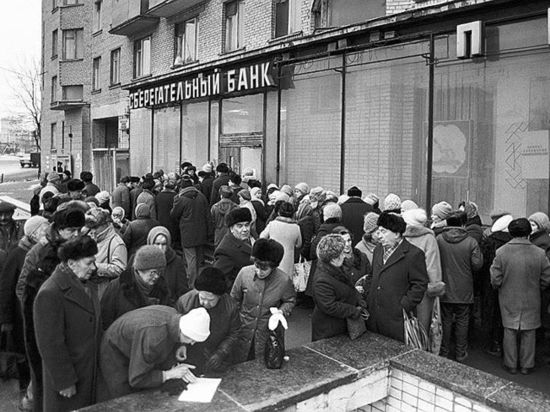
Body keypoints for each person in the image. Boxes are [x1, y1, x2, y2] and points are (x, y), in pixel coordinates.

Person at [17, 205, 86, 412]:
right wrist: (42, 312)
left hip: (72, 324)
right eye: (71, 230)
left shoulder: (79, 246)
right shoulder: (40, 252)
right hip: (45, 323)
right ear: (59, 229)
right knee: (45, 382)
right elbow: (23, 287)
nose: (76, 235)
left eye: (79, 230)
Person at [34, 236, 101, 412]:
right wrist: (64, 381)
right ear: (72, 264)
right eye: (89, 263)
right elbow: (50, 343)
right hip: (70, 379)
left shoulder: (86, 284)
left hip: (88, 370)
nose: (94, 268)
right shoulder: (50, 293)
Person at [98, 306, 210, 402]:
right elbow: (137, 379)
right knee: (125, 398)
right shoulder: (154, 338)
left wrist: (179, 350)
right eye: (192, 340)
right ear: (184, 332)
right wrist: (169, 374)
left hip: (136, 338)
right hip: (115, 350)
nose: (192, 343)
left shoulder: (175, 319)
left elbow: (167, 340)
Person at [0, 216, 48, 411]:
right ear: (34, 233)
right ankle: (25, 390)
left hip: (36, 313)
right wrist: (6, 319)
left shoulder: (44, 251)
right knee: (23, 354)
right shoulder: (17, 253)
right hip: (21, 315)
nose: (48, 231)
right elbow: (6, 287)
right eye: (44, 228)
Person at [491, 218, 550, 375]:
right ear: (528, 232)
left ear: (510, 232)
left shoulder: (501, 252)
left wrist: (500, 286)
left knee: (509, 330)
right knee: (529, 331)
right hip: (532, 297)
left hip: (508, 296)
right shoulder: (539, 253)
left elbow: (495, 278)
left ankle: (511, 364)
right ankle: (526, 365)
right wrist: (538, 288)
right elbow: (546, 278)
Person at [366, 212, 429, 343]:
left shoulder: (414, 254)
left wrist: (403, 306)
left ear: (396, 233)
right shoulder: (378, 250)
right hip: (375, 315)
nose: (379, 236)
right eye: (379, 231)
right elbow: (372, 275)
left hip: (396, 320)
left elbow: (419, 285)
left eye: (384, 232)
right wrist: (368, 295)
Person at [230, 238, 296, 362]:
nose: (259, 272)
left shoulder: (283, 280)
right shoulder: (244, 273)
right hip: (244, 329)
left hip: (267, 332)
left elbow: (290, 301)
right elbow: (234, 299)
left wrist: (281, 311)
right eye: (257, 267)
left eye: (264, 269)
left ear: (273, 267)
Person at [436, 211, 483, 362]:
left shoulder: (439, 239)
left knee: (445, 320)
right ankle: (460, 352)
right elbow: (477, 265)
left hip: (444, 287)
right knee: (463, 320)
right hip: (464, 288)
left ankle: (443, 351)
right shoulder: (471, 242)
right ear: (463, 224)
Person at [175, 267, 241, 375]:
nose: (205, 303)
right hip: (191, 354)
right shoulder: (185, 302)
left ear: (220, 296)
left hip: (217, 355)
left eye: (211, 300)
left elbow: (234, 333)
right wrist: (182, 345)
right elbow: (176, 329)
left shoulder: (230, 307)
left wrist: (221, 353)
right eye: (202, 298)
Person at [100, 245, 172, 331]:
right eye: (153, 272)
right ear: (140, 270)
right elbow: (105, 320)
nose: (156, 276)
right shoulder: (117, 287)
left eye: (160, 272)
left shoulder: (163, 289)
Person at [311, 234, 368, 341]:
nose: (344, 256)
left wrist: (359, 300)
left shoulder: (338, 268)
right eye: (341, 254)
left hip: (341, 324)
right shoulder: (322, 280)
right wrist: (354, 311)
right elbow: (329, 306)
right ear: (333, 259)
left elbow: (350, 287)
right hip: (329, 328)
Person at [402, 208, 444, 334]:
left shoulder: (401, 238)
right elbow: (432, 266)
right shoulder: (429, 239)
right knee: (422, 327)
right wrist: (435, 286)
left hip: (403, 287)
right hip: (423, 290)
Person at [479, 213, 513, 357]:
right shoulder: (512, 242)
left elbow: (482, 263)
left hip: (489, 281)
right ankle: (503, 344)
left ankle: (492, 343)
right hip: (509, 283)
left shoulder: (489, 241)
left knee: (490, 311)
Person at [170, 177, 212, 289]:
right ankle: (198, 280)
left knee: (191, 258)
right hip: (201, 231)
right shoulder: (201, 196)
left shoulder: (181, 199)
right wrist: (209, 231)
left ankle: (192, 284)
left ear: (182, 188)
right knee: (198, 258)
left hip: (187, 232)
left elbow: (173, 214)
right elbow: (208, 214)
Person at [85, 207, 127, 301]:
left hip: (105, 290)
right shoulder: (90, 237)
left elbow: (120, 269)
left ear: (105, 224)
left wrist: (96, 267)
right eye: (91, 228)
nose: (92, 231)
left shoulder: (117, 243)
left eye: (95, 227)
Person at [214, 208, 255, 292]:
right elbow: (220, 278)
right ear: (231, 228)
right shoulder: (225, 250)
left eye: (247, 225)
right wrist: (241, 290)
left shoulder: (253, 235)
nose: (245, 229)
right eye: (239, 226)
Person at [260, 202, 302, 277]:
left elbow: (262, 237)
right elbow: (299, 244)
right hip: (288, 260)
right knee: (285, 279)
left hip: (273, 257)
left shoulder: (272, 224)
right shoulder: (296, 227)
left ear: (279, 212)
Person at [146, 226, 189, 299]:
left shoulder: (176, 262)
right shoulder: (140, 260)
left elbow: (183, 291)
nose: (160, 248)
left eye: (164, 244)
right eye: (157, 244)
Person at [155, 174, 179, 245]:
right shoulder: (176, 196)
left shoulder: (158, 196)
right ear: (174, 187)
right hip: (173, 223)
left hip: (161, 221)